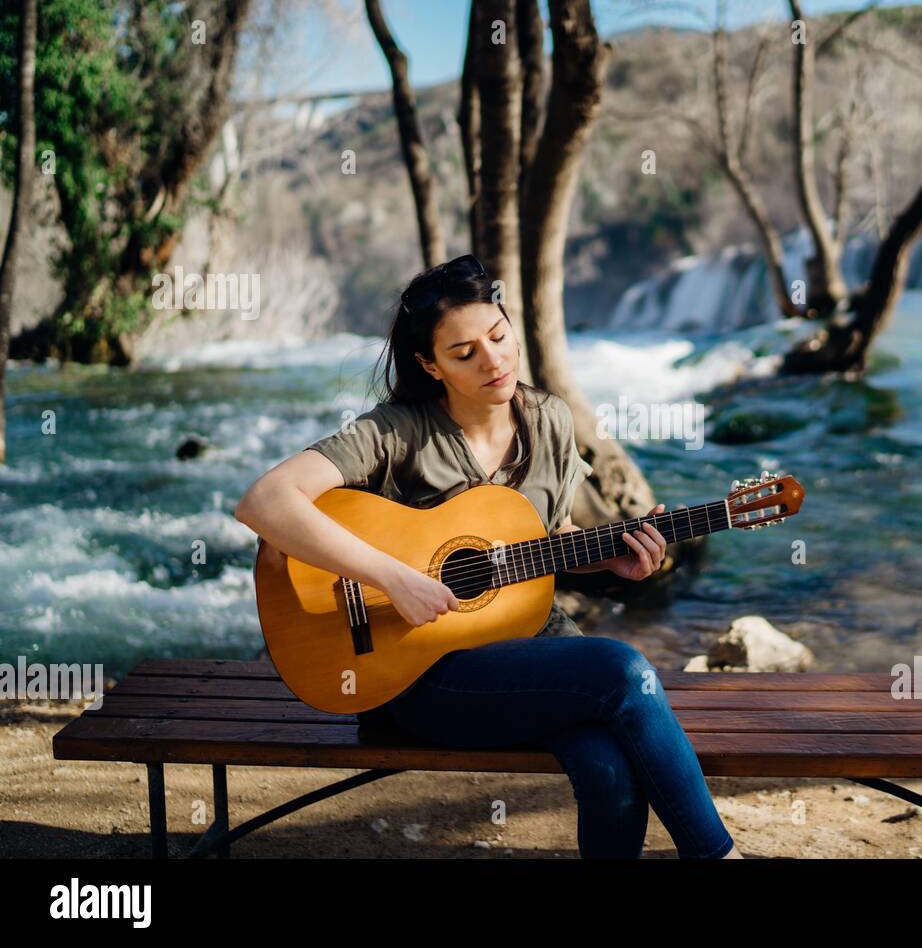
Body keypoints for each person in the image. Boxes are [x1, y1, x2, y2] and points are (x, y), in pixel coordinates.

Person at [233, 254, 741, 859]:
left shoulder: (549, 419)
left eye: (498, 336)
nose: (494, 360)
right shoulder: (396, 431)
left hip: (535, 648)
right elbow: (265, 501)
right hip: (422, 675)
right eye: (464, 352)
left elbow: (548, 539)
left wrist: (609, 563)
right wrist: (394, 578)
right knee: (625, 671)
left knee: (607, 765)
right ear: (430, 364)